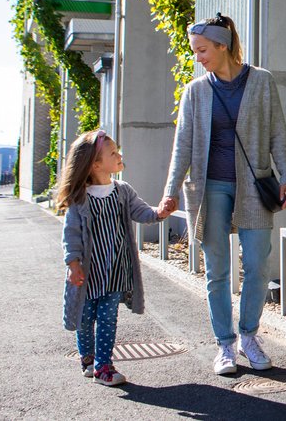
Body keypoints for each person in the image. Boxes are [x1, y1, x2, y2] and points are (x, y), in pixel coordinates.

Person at [160, 13, 286, 375]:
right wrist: (170, 191)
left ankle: (249, 335)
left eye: (203, 50)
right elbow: (183, 146)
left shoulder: (262, 81)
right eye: (195, 51)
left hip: (255, 185)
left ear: (223, 46)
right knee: (217, 271)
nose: (198, 57)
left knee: (257, 264)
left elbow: (277, 133)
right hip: (210, 188)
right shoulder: (196, 91)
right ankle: (225, 345)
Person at [60, 129, 176, 386]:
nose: (119, 154)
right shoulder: (80, 198)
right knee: (85, 317)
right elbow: (71, 234)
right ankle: (88, 358)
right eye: (113, 152)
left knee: (108, 318)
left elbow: (141, 211)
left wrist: (159, 213)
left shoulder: (122, 191)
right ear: (95, 164)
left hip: (115, 271)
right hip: (88, 274)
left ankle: (104, 366)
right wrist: (73, 263)